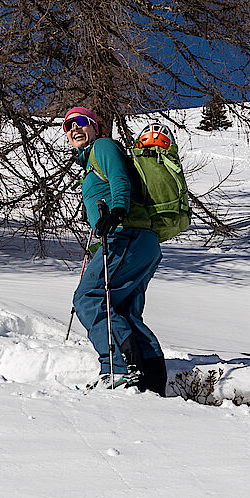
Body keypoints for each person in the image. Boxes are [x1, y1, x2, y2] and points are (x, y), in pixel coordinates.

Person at [63, 106, 168, 395]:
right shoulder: (90, 163)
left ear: (95, 126)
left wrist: (119, 210)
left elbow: (120, 179)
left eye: (80, 122)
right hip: (140, 240)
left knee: (87, 297)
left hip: (127, 236)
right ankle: (151, 378)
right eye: (68, 127)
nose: (74, 129)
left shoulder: (103, 147)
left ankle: (116, 369)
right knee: (122, 311)